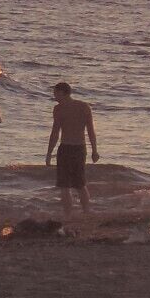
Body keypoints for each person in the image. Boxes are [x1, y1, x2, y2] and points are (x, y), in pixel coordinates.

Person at [45, 82, 99, 220]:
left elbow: (55, 133)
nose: (54, 96)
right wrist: (94, 150)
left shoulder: (62, 109)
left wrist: (49, 153)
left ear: (63, 93)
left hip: (71, 147)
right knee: (75, 183)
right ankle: (82, 212)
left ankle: (74, 213)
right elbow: (90, 131)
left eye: (56, 93)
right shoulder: (82, 107)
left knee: (71, 184)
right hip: (75, 148)